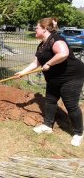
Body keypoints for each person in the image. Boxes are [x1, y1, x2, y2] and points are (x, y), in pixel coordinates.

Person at [15, 17, 84, 146]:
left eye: (37, 28)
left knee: (71, 105)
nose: (35, 30)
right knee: (50, 101)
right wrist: (22, 72)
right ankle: (47, 126)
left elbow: (63, 53)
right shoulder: (42, 45)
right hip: (54, 78)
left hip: (71, 77)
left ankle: (78, 133)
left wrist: (49, 63)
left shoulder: (55, 39)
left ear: (45, 29)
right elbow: (36, 62)